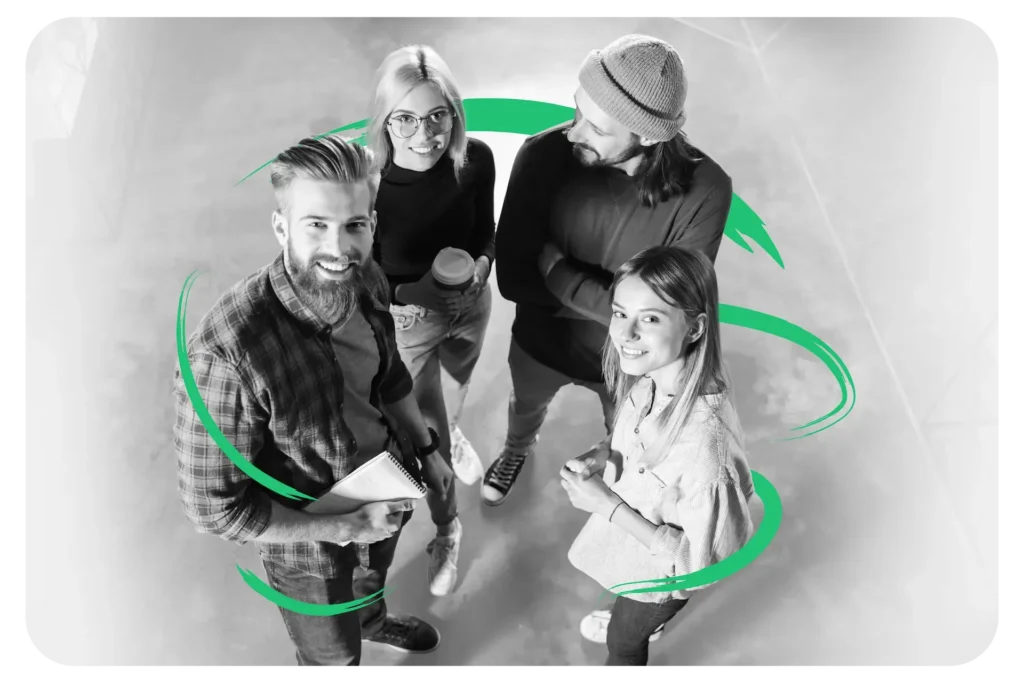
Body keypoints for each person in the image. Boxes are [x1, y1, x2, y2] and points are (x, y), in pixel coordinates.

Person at [172, 134, 454, 672]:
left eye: (355, 225)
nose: (338, 248)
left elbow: (389, 373)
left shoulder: (363, 274)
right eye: (316, 225)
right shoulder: (225, 357)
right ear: (281, 227)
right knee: (332, 659)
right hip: (308, 550)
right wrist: (345, 527)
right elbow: (215, 510)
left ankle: (371, 620)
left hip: (384, 487)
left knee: (371, 582)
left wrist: (427, 447)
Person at [485, 33, 734, 506]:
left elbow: (669, 315)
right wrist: (623, 306)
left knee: (625, 438)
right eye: (577, 112)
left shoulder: (707, 191)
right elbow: (514, 278)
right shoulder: (541, 155)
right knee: (524, 409)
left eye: (596, 129)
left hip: (634, 369)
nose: (572, 133)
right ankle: (517, 449)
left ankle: (623, 486)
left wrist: (558, 275)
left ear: (650, 136)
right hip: (540, 345)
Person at [559, 245, 757, 672]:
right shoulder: (653, 376)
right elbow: (640, 445)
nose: (625, 335)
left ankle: (642, 624)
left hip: (661, 581)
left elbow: (700, 566)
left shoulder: (707, 451)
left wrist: (609, 507)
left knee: (623, 645)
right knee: (626, 621)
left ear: (695, 329)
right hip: (638, 553)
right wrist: (604, 454)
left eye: (650, 318)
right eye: (619, 313)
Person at [365, 44, 496, 596]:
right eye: (406, 118)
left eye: (438, 115)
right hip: (407, 324)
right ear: (385, 121)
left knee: (459, 387)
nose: (426, 134)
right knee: (429, 439)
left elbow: (484, 228)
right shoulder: (369, 186)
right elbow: (355, 269)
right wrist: (392, 299)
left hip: (469, 304)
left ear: (455, 114)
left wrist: (483, 267)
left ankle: (457, 428)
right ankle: (449, 527)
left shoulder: (476, 159)